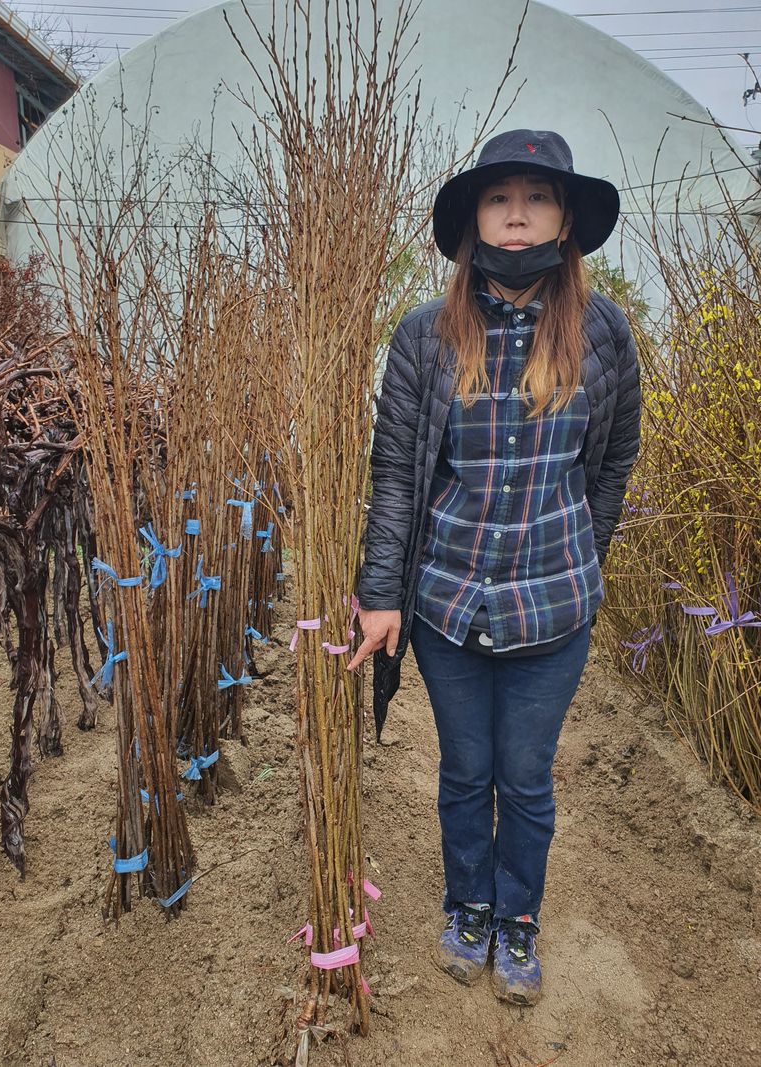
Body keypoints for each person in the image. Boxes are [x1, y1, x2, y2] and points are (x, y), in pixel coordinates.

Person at [347, 129, 642, 1006]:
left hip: (554, 614)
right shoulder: (424, 337)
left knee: (526, 777)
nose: (518, 214)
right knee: (465, 773)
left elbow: (617, 457)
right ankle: (468, 903)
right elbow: (397, 472)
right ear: (475, 218)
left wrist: (582, 552)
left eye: (538, 196)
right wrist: (378, 597)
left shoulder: (602, 333)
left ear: (565, 217)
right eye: (499, 197)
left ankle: (519, 917)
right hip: (449, 607)